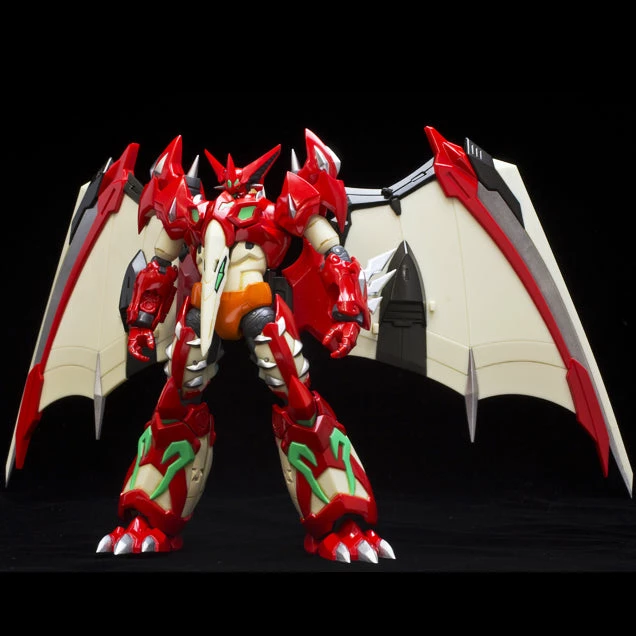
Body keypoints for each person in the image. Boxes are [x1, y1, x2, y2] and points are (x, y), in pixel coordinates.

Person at [95, 129, 395, 564]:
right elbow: (159, 265)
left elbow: (334, 253)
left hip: (259, 308)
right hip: (201, 311)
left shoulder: (276, 210)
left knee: (299, 402)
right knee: (174, 405)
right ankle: (147, 517)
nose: (236, 187)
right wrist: (142, 320)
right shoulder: (196, 212)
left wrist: (348, 309)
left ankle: (343, 520)